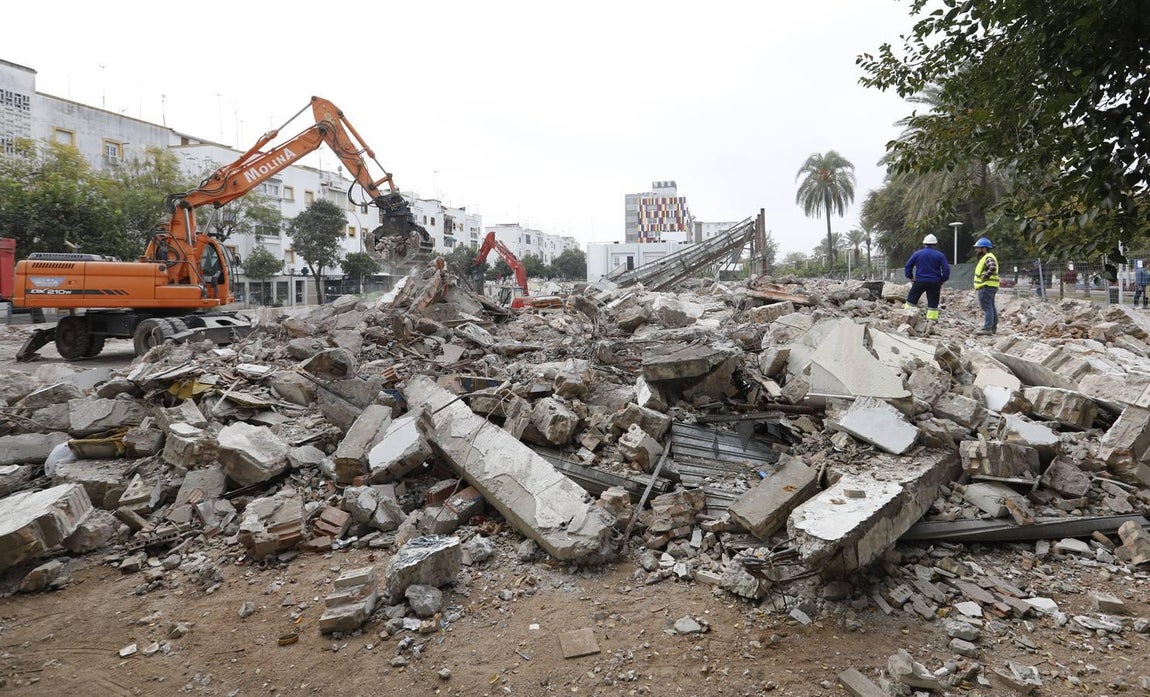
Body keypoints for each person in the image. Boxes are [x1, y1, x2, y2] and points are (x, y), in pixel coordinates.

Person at [903, 233, 950, 321]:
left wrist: (910, 276)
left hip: (920, 281)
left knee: (911, 300)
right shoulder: (940, 255)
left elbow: (908, 265)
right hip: (935, 282)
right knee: (933, 302)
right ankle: (931, 321)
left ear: (924, 243)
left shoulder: (917, 254)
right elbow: (946, 269)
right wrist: (943, 279)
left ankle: (907, 317)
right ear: (935, 244)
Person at [972, 237, 999, 334]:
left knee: (987, 307)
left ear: (984, 248)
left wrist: (985, 276)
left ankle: (987, 328)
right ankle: (993, 327)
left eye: (978, 248)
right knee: (991, 307)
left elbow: (992, 267)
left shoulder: (988, 257)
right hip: (991, 286)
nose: (976, 250)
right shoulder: (988, 257)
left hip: (986, 286)